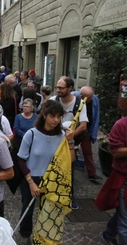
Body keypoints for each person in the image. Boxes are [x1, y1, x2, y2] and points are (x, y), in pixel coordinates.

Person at [17, 100, 74, 243]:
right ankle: (25, 235)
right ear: (44, 115)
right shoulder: (31, 134)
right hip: (31, 178)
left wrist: (71, 141)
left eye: (58, 116)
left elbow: (71, 160)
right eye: (52, 116)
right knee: (27, 210)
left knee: (49, 212)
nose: (56, 120)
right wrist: (30, 182)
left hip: (52, 180)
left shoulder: (62, 136)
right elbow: (21, 159)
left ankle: (43, 238)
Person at [95, 92, 127, 245]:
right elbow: (116, 152)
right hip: (126, 181)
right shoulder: (122, 125)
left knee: (124, 215)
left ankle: (108, 235)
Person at [50, 76, 88, 209]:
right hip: (53, 141)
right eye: (57, 87)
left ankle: (70, 196)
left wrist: (69, 137)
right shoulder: (52, 100)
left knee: (69, 170)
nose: (58, 90)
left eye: (61, 88)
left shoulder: (80, 103)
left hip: (70, 143)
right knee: (51, 167)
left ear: (70, 88)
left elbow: (83, 125)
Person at [72, 86, 102, 181]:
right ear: (81, 96)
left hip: (85, 129)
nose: (92, 98)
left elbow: (96, 115)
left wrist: (93, 131)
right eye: (89, 97)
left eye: (92, 96)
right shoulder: (73, 98)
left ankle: (92, 174)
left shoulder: (95, 99)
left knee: (88, 151)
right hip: (73, 129)